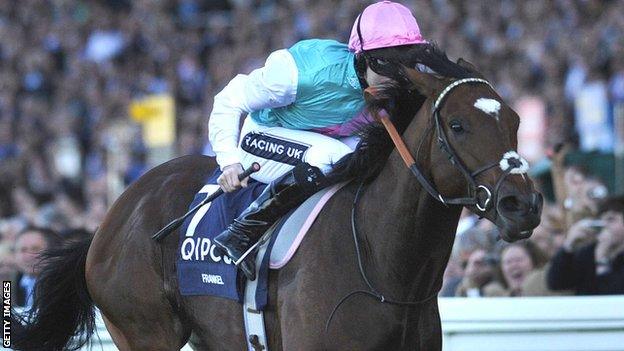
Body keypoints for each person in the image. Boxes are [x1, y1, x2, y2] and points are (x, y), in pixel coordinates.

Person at [208, 1, 430, 280]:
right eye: (388, 64)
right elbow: (229, 100)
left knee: (374, 159)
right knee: (334, 157)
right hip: (261, 139)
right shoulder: (303, 74)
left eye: (405, 63)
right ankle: (243, 230)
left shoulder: (395, 84)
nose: (396, 78)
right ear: (362, 58)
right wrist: (228, 162)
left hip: (320, 139)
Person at [547, 196, 624, 295]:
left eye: (611, 219)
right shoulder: (588, 253)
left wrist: (602, 260)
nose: (604, 225)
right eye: (601, 220)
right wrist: (568, 246)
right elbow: (556, 283)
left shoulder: (599, 253)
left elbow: (612, 295)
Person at [11, 226, 59, 308]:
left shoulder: (60, 283)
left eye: (35, 249)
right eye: (23, 250)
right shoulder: (9, 283)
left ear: (51, 251)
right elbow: (6, 318)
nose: (29, 256)